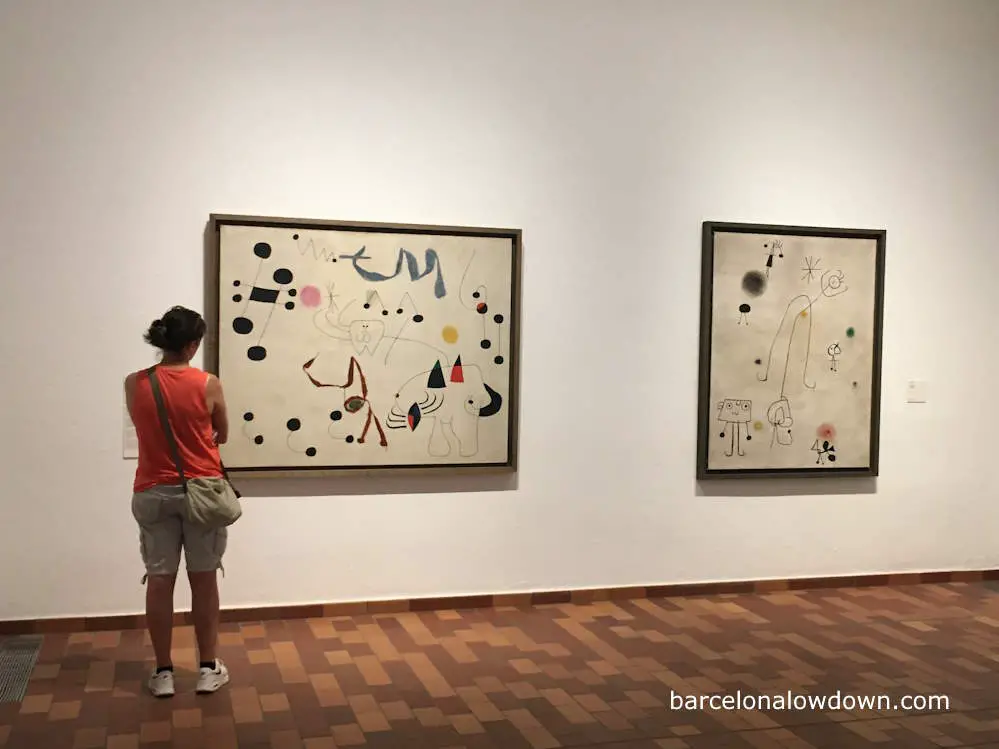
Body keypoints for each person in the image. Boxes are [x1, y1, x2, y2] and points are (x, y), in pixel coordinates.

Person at [123, 305, 231, 698]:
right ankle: (206, 668)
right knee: (203, 581)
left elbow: (143, 426)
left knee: (159, 580)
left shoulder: (134, 383)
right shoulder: (208, 383)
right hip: (202, 492)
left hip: (151, 490)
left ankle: (164, 672)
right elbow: (223, 433)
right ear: (190, 345)